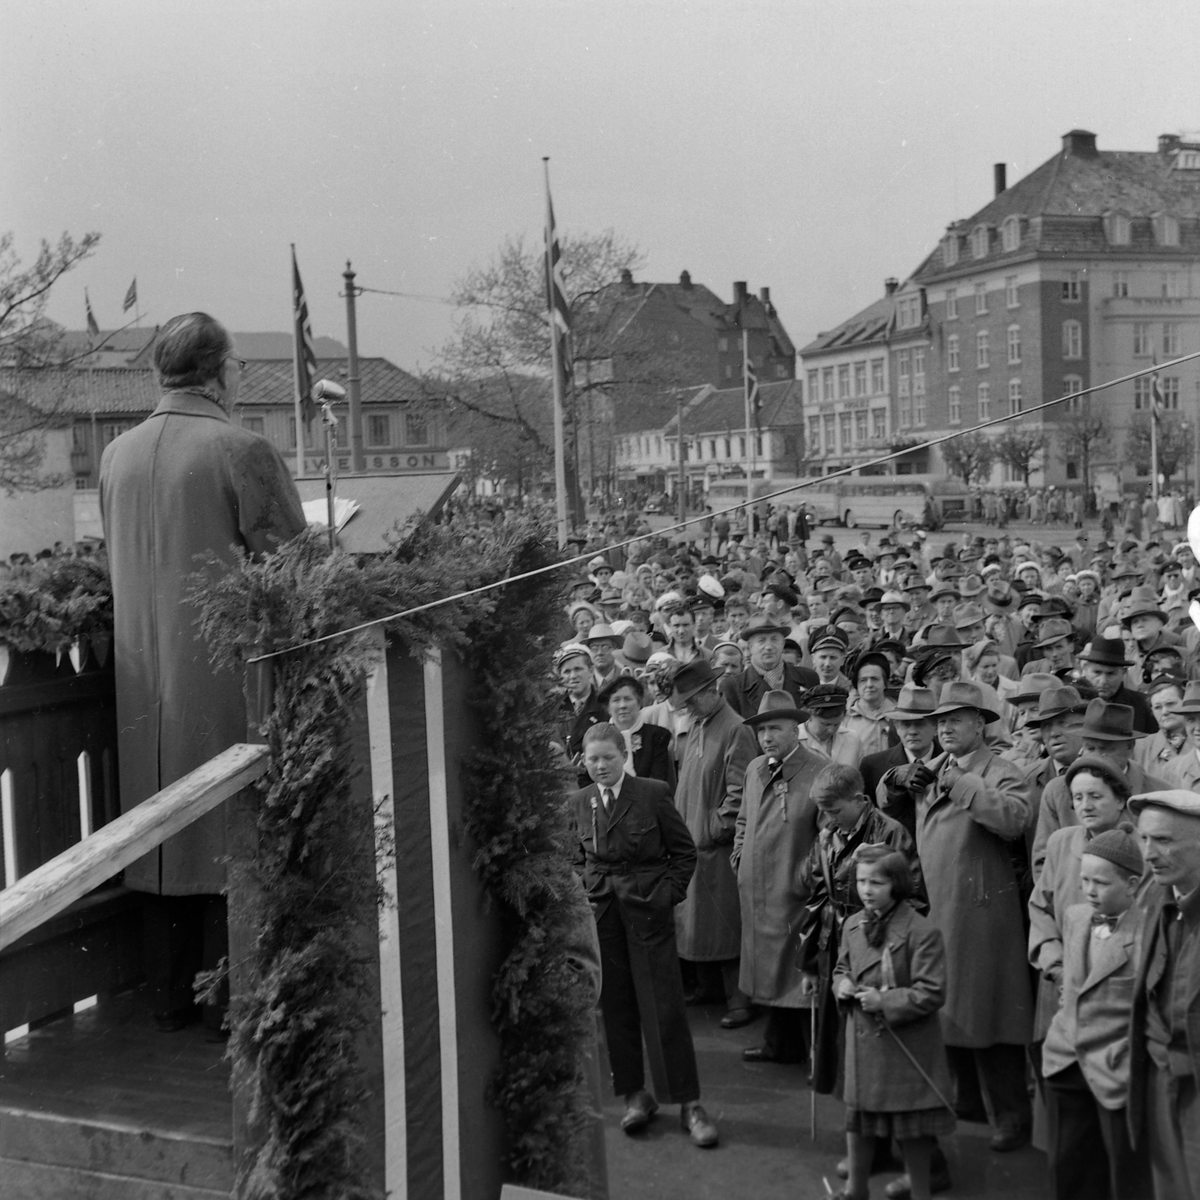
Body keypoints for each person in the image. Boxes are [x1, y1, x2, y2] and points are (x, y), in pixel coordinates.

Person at [100, 311, 307, 1032]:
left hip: (138, 689)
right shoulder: (241, 449)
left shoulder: (116, 456)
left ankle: (168, 998)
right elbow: (299, 572)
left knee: (160, 827)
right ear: (221, 371)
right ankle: (232, 1002)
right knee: (228, 831)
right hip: (227, 681)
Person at [879, 681, 1033, 1151]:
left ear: (981, 725)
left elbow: (1013, 820)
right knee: (948, 1009)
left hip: (983, 914)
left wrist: (965, 785)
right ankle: (967, 1101)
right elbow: (888, 805)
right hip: (938, 908)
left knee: (995, 1016)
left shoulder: (1002, 770)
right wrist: (896, 780)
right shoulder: (932, 767)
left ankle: (1011, 1117)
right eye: (939, 720)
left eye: (955, 719)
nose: (944, 727)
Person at [569, 724, 718, 1148]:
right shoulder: (578, 802)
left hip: (648, 913)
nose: (600, 766)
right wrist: (588, 889)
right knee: (615, 1008)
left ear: (624, 756)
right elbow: (575, 857)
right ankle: (636, 1096)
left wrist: (665, 895)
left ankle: (688, 1103)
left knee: (664, 1006)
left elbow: (683, 852)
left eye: (608, 758)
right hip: (604, 917)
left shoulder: (652, 793)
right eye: (592, 759)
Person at [830, 845, 955, 1200]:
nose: (866, 890)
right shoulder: (853, 925)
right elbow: (842, 968)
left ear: (897, 884)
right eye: (861, 881)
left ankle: (920, 1192)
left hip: (905, 1045)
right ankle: (856, 1189)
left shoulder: (920, 931)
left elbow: (932, 991)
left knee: (911, 1130)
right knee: (859, 1123)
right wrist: (842, 985)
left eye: (877, 882)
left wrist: (884, 1000)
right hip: (864, 1045)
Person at [1041, 827, 1152, 1200]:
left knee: (1124, 1172)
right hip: (1066, 1060)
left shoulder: (1149, 932)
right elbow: (1073, 987)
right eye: (1084, 880)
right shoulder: (1075, 917)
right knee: (1068, 1166)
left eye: (1101, 883)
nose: (1089, 890)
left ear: (1133, 885)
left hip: (1116, 1070)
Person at [731, 691, 824, 1063]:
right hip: (757, 890)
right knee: (770, 973)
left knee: (798, 972)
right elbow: (742, 820)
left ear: (795, 729)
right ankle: (779, 1043)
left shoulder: (819, 771)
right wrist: (740, 858)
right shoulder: (755, 769)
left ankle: (816, 1054)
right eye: (762, 729)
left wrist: (805, 876)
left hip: (795, 891)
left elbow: (829, 835)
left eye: (775, 728)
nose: (767, 736)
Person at [669, 659, 760, 1028]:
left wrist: (713, 829)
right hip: (692, 842)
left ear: (712, 692)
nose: (687, 708)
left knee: (725, 924)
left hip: (716, 847)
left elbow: (740, 792)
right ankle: (709, 989)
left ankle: (740, 1000)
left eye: (692, 700)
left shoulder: (736, 729)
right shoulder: (698, 724)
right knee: (697, 922)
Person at [1028, 757, 1133, 1058]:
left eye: (1096, 796)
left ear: (1120, 800)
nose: (1085, 805)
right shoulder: (1061, 842)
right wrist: (1057, 965)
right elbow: (1041, 908)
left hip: (1115, 987)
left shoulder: (1137, 848)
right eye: (1078, 797)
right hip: (1060, 981)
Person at [1127, 788, 1200, 1199]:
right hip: (1159, 1078)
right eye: (1145, 839)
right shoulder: (1156, 896)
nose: (1149, 854)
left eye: (1165, 840)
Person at [866, 687, 941, 840]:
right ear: (897, 727)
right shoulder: (873, 765)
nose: (912, 731)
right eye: (906, 724)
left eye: (920, 724)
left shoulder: (950, 763)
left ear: (936, 727)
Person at [718, 613, 817, 718]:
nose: (769, 646)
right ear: (750, 646)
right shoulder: (732, 687)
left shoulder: (808, 678)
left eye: (774, 639)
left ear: (783, 644)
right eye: (761, 640)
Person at [597, 674, 676, 791]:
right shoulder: (598, 738)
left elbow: (658, 781)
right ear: (608, 708)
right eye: (616, 700)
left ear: (639, 703)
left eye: (628, 699)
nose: (622, 705)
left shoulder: (657, 736)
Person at [841, 652, 897, 756]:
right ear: (857, 685)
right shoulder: (845, 717)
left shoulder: (897, 715)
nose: (869, 685)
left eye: (875, 679)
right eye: (863, 680)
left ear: (885, 683)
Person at [797, 684, 863, 765]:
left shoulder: (852, 739)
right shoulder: (794, 741)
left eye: (837, 724)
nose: (831, 730)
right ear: (808, 715)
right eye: (825, 724)